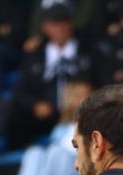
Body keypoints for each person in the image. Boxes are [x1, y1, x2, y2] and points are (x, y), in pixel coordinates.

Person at [11, 4, 94, 148]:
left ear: (71, 24)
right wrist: (35, 105)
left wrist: (90, 94)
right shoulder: (35, 54)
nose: (60, 28)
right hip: (46, 116)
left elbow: (104, 80)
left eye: (64, 22)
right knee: (14, 115)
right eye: (55, 23)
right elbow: (20, 91)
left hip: (83, 114)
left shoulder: (89, 49)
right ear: (45, 27)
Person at [11, 80, 88, 175]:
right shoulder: (62, 126)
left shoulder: (95, 124)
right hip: (57, 169)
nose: (82, 100)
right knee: (34, 152)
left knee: (58, 152)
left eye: (85, 95)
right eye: (77, 96)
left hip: (79, 170)